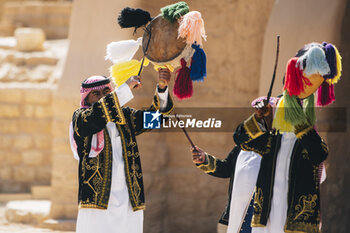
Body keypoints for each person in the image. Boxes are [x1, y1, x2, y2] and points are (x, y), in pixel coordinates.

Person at [233, 42, 342, 233]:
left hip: (295, 210)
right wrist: (258, 118)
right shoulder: (271, 111)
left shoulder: (308, 120)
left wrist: (299, 122)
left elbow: (319, 154)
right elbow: (240, 138)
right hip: (267, 207)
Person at [69, 69, 173, 233]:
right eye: (96, 93)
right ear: (86, 98)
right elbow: (97, 115)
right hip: (98, 200)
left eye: (106, 91)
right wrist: (125, 88)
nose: (102, 96)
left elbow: (156, 118)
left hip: (128, 197)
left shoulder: (125, 117)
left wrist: (161, 88)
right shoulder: (81, 118)